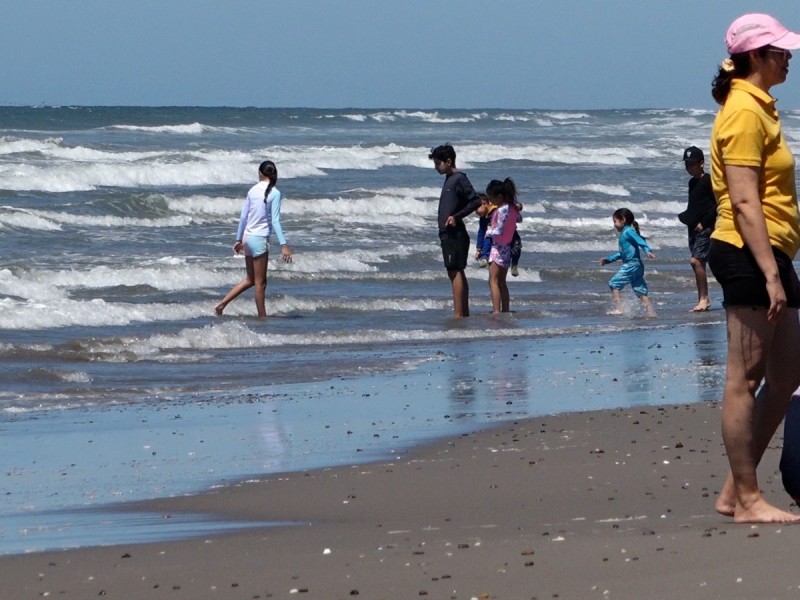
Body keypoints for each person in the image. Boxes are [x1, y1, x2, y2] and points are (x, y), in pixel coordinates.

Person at [707, 13, 800, 523]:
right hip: (746, 253)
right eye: (781, 51)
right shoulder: (743, 110)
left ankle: (733, 490)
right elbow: (744, 201)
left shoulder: (760, 108)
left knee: (786, 372)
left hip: (772, 253)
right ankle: (745, 500)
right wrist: (769, 273)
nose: (788, 58)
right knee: (744, 377)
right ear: (756, 57)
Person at [215, 160, 292, 318]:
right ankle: (262, 317)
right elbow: (276, 221)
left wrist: (238, 240)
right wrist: (284, 245)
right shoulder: (275, 193)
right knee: (260, 283)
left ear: (260, 174)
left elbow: (243, 217)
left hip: (247, 237)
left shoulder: (252, 191)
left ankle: (221, 305)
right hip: (259, 239)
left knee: (251, 279)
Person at [429, 144, 481, 317]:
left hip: (455, 233)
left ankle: (459, 313)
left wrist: (457, 216)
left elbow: (475, 201)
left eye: (438, 164)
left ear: (448, 161)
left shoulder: (459, 178)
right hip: (448, 233)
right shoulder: (449, 178)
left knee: (455, 271)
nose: (436, 167)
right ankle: (462, 312)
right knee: (455, 270)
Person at [599, 208, 656, 317]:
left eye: (615, 221)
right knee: (640, 290)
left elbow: (641, 240)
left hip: (631, 265)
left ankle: (619, 309)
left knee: (613, 283)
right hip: (637, 265)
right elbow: (622, 253)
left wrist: (648, 251)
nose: (614, 224)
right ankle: (651, 312)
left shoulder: (628, 231)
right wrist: (608, 260)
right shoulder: (625, 234)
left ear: (623, 220)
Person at [678, 146, 716, 312]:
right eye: (686, 164)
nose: (688, 168)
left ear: (701, 163)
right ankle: (702, 297)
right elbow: (694, 205)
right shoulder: (692, 182)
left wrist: (705, 223)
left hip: (705, 227)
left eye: (691, 164)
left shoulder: (709, 180)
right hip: (693, 228)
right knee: (699, 263)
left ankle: (704, 298)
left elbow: (716, 205)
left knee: (696, 261)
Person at [484, 178, 522, 313]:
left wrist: (488, 232)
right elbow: (519, 219)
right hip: (507, 247)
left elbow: (498, 230)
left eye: (491, 198)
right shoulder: (512, 208)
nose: (490, 201)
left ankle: (496, 310)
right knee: (502, 282)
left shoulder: (501, 211)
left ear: (499, 197)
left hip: (497, 248)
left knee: (493, 281)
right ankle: (505, 309)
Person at [475, 194, 523, 276]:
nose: (475, 212)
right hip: (495, 235)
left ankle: (514, 263)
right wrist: (479, 248)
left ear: (484, 203)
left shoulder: (496, 208)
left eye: (476, 209)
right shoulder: (483, 219)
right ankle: (484, 258)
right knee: (487, 238)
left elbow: (513, 206)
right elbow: (481, 232)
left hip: (509, 231)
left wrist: (518, 207)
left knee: (517, 245)